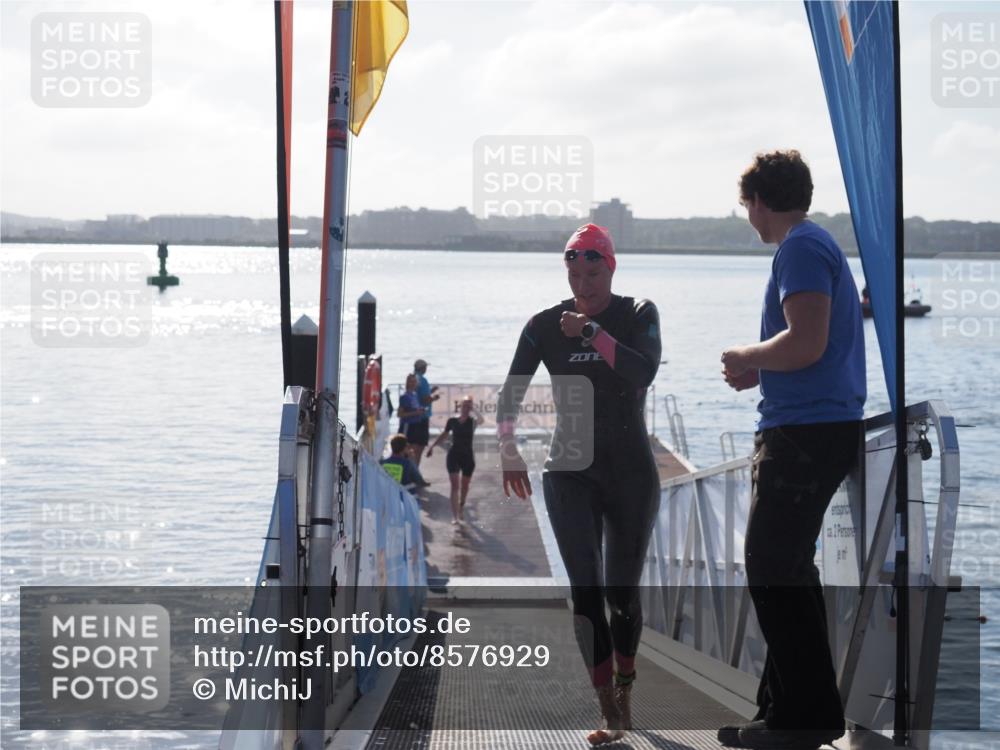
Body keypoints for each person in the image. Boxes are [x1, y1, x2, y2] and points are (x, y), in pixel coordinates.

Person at [718, 150, 865, 750]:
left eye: (746, 205)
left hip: (805, 434)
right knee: (785, 568)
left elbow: (805, 341)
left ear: (758, 201)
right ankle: (783, 711)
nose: (748, 217)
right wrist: (763, 372)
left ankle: (803, 719)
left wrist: (747, 356)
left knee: (773, 567)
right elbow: (810, 349)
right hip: (811, 427)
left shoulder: (800, 247)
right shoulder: (811, 245)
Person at [496, 223, 662, 746]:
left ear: (610, 268)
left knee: (622, 596)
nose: (583, 283)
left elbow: (642, 373)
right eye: (574, 272)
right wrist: (508, 447)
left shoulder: (638, 315)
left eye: (592, 272)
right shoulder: (541, 326)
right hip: (569, 468)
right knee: (586, 593)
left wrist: (590, 332)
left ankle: (627, 685)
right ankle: (610, 711)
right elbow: (511, 394)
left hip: (631, 472)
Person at [426, 395, 484, 525]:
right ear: (460, 406)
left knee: (465, 485)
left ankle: (461, 506)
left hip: (467, 456)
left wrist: (473, 409)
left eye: (469, 405)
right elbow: (444, 434)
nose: (466, 407)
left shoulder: (472, 421)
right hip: (454, 455)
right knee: (455, 485)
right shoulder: (452, 421)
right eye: (464, 404)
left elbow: (481, 420)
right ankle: (455, 516)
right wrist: (432, 446)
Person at [398, 374, 430, 480]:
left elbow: (416, 408)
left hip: (417, 425)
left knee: (416, 450)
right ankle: (407, 475)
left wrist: (421, 410)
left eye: (414, 381)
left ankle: (414, 474)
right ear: (407, 383)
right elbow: (400, 414)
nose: (412, 383)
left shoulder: (415, 394)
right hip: (408, 426)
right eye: (410, 381)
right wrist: (416, 413)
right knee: (406, 450)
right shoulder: (404, 396)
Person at [411, 359, 439, 469]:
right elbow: (424, 400)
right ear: (422, 368)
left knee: (414, 445)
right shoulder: (422, 380)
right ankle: (415, 471)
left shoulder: (414, 378)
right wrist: (434, 398)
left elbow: (418, 396)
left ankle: (414, 470)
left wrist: (430, 391)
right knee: (420, 446)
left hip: (414, 417)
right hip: (421, 417)